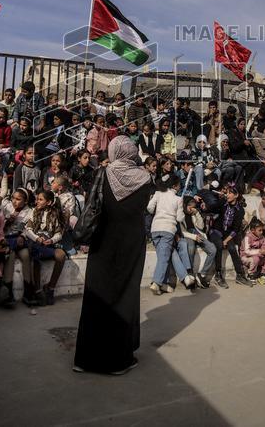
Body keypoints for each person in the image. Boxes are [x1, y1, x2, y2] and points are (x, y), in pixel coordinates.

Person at [74, 136, 154, 374]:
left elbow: (94, 206)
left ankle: (85, 360)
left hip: (104, 242)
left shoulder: (104, 173)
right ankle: (119, 360)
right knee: (124, 297)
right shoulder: (146, 178)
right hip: (131, 244)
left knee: (96, 295)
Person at [147, 176, 197, 294]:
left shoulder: (158, 193)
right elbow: (179, 218)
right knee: (164, 257)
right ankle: (157, 282)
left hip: (155, 229)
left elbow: (149, 208)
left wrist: (158, 212)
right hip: (168, 229)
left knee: (167, 254)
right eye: (179, 185)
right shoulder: (178, 199)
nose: (180, 187)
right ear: (175, 186)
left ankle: (178, 280)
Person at [25, 189, 68, 306]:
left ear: (48, 202)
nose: (37, 201)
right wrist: (37, 238)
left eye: (40, 199)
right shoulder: (33, 211)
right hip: (36, 242)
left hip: (49, 243)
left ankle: (50, 288)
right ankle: (38, 290)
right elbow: (28, 230)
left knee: (61, 255)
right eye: (37, 199)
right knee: (36, 254)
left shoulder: (55, 213)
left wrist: (51, 240)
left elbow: (59, 233)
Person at [209, 185, 253, 288]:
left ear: (236, 195)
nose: (227, 194)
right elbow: (212, 207)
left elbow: (236, 229)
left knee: (232, 248)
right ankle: (218, 275)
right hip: (216, 231)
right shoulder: (223, 204)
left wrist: (226, 240)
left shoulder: (240, 210)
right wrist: (218, 200)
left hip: (228, 234)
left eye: (229, 193)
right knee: (219, 246)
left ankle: (240, 275)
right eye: (226, 192)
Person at [180, 197, 216, 288]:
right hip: (187, 235)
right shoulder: (180, 214)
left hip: (196, 233)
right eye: (190, 206)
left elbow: (201, 227)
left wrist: (197, 213)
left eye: (193, 206)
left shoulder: (194, 213)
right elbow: (182, 232)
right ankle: (191, 276)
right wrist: (194, 237)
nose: (192, 208)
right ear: (185, 205)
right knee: (191, 248)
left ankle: (202, 274)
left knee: (212, 249)